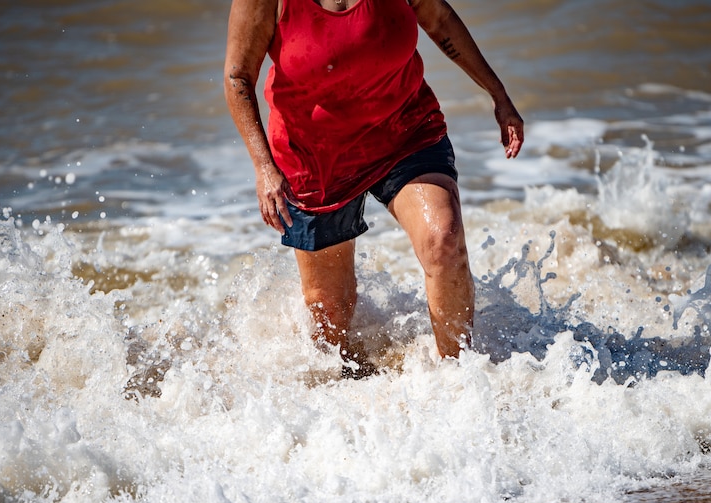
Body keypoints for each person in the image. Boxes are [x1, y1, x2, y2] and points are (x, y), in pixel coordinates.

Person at [224, 0, 523, 367]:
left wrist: (499, 95)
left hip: (404, 132)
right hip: (316, 157)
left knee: (443, 238)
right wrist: (263, 166)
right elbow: (238, 76)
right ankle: (344, 397)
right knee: (330, 315)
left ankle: (459, 377)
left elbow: (440, 19)